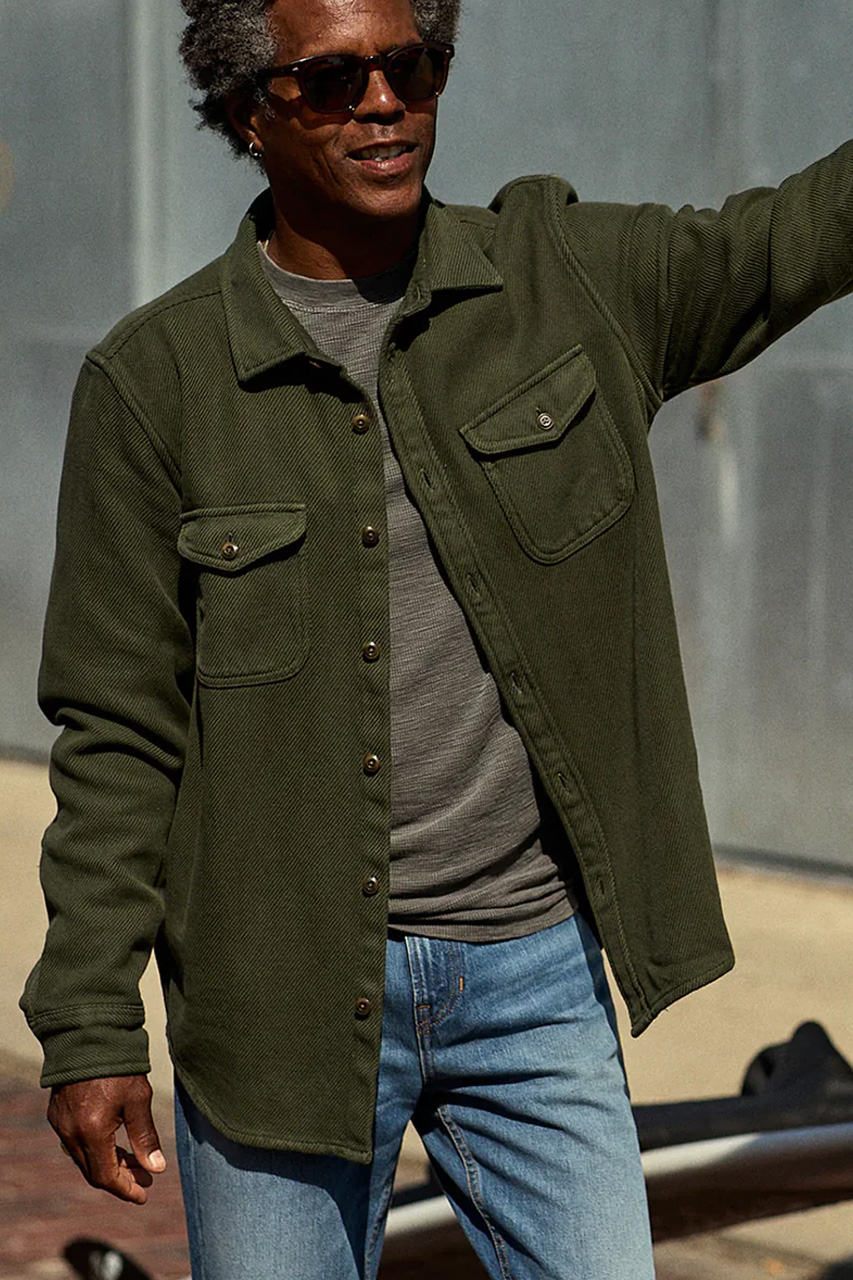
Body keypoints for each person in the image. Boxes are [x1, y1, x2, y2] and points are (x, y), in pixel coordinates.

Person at [20, 0, 852, 1276]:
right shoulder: (156, 385)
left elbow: (794, 236)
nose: (383, 102)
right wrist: (88, 1023)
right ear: (248, 113)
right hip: (278, 1006)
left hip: (533, 979)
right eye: (332, 78)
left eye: (410, 65)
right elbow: (118, 731)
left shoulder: (566, 282)